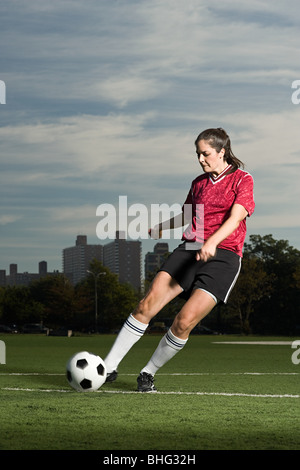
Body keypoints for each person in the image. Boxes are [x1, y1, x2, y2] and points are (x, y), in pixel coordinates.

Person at [104, 127, 255, 392]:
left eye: (205, 153)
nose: (200, 159)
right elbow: (187, 216)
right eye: (197, 154)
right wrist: (161, 227)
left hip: (225, 256)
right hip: (191, 248)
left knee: (184, 321)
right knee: (145, 305)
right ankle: (108, 367)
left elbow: (236, 217)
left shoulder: (243, 179)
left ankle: (148, 373)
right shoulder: (198, 183)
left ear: (222, 152)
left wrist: (212, 242)